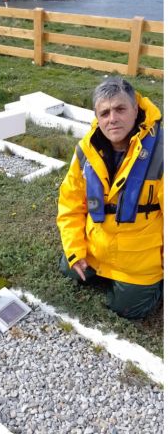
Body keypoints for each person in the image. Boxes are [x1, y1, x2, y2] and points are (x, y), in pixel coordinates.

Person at [57, 77, 163, 319]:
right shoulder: (85, 150)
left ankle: (155, 286)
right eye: (104, 113)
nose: (112, 119)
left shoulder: (161, 151)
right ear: (96, 116)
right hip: (96, 249)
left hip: (139, 262)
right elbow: (70, 205)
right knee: (67, 269)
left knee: (126, 310)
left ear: (135, 109)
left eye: (120, 109)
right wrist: (75, 251)